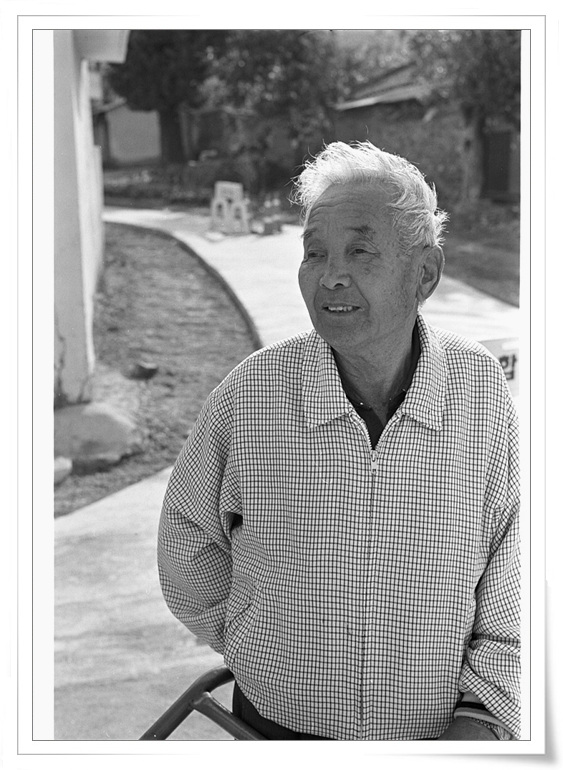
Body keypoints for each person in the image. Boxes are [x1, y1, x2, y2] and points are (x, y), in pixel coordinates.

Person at [157, 141, 520, 741]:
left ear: (425, 273)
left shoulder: (478, 388)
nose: (330, 276)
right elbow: (186, 545)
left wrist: (483, 716)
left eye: (360, 251)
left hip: (440, 740)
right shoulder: (253, 394)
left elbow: (515, 570)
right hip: (275, 731)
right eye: (314, 252)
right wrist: (253, 639)